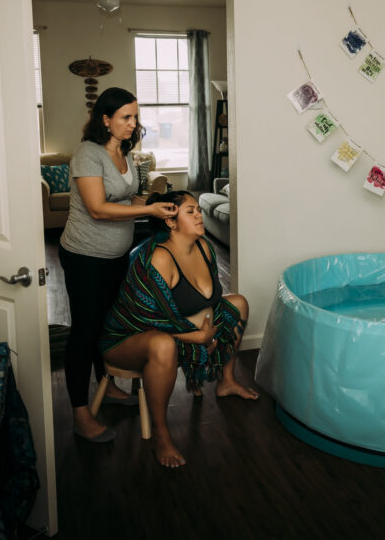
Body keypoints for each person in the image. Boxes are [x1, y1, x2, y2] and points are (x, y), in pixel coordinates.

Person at [100, 190, 258, 467]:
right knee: (164, 344)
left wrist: (206, 327)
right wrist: (196, 335)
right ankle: (161, 434)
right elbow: (144, 319)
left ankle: (227, 381)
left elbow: (211, 301)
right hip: (127, 337)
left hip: (179, 326)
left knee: (239, 303)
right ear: (171, 222)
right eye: (191, 211)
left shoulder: (204, 246)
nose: (199, 214)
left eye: (198, 209)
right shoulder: (159, 258)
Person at [58, 87, 178, 443]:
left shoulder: (125, 152)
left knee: (107, 325)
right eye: (126, 117)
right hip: (84, 257)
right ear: (105, 119)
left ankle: (107, 388)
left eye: (135, 116)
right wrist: (148, 210)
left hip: (115, 257)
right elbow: (97, 208)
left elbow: (130, 198)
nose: (133, 123)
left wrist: (156, 201)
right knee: (84, 332)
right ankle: (80, 412)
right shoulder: (87, 154)